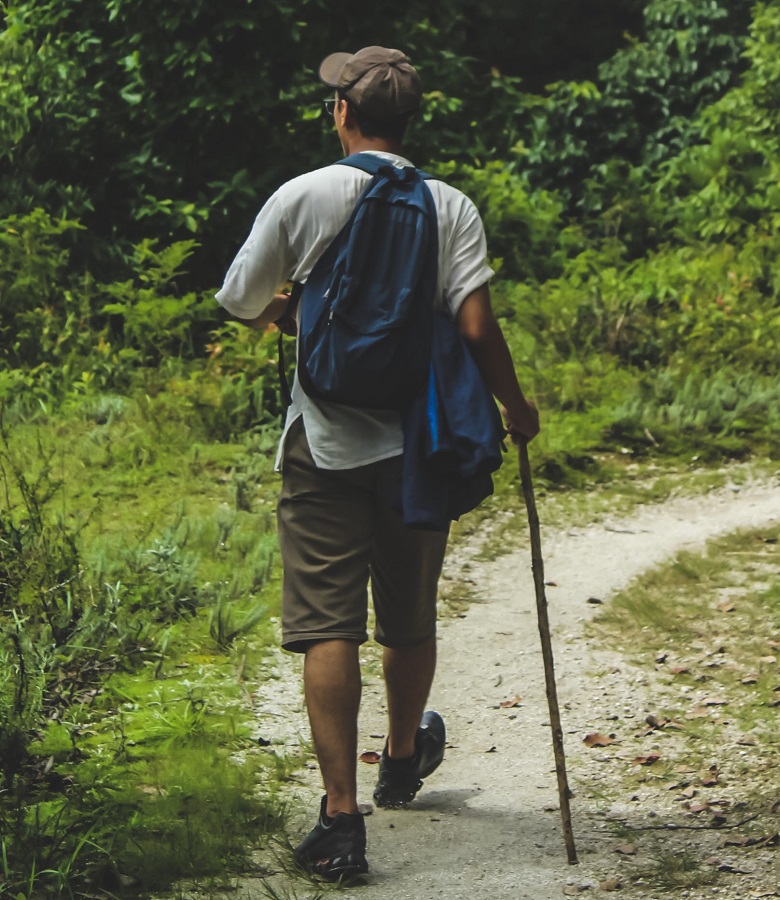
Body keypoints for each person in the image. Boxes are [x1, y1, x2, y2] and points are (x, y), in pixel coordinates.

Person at [215, 45, 539, 881]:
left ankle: (341, 818)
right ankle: (401, 758)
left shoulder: (304, 194)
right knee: (409, 609)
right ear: (409, 121)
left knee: (329, 623)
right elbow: (474, 328)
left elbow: (240, 301)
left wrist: (293, 317)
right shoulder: (450, 205)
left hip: (322, 443)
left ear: (343, 115)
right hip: (417, 447)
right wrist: (515, 405)